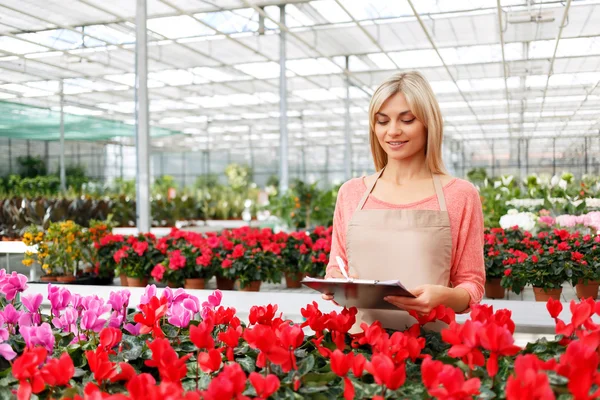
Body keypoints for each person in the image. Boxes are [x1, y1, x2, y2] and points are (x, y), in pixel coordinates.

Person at [323, 71, 485, 332]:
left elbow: (472, 284)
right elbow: (336, 264)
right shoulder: (351, 193)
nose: (393, 131)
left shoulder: (461, 195)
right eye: (382, 121)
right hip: (360, 346)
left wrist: (445, 297)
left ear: (428, 123)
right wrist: (336, 282)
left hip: (431, 348)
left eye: (407, 120)